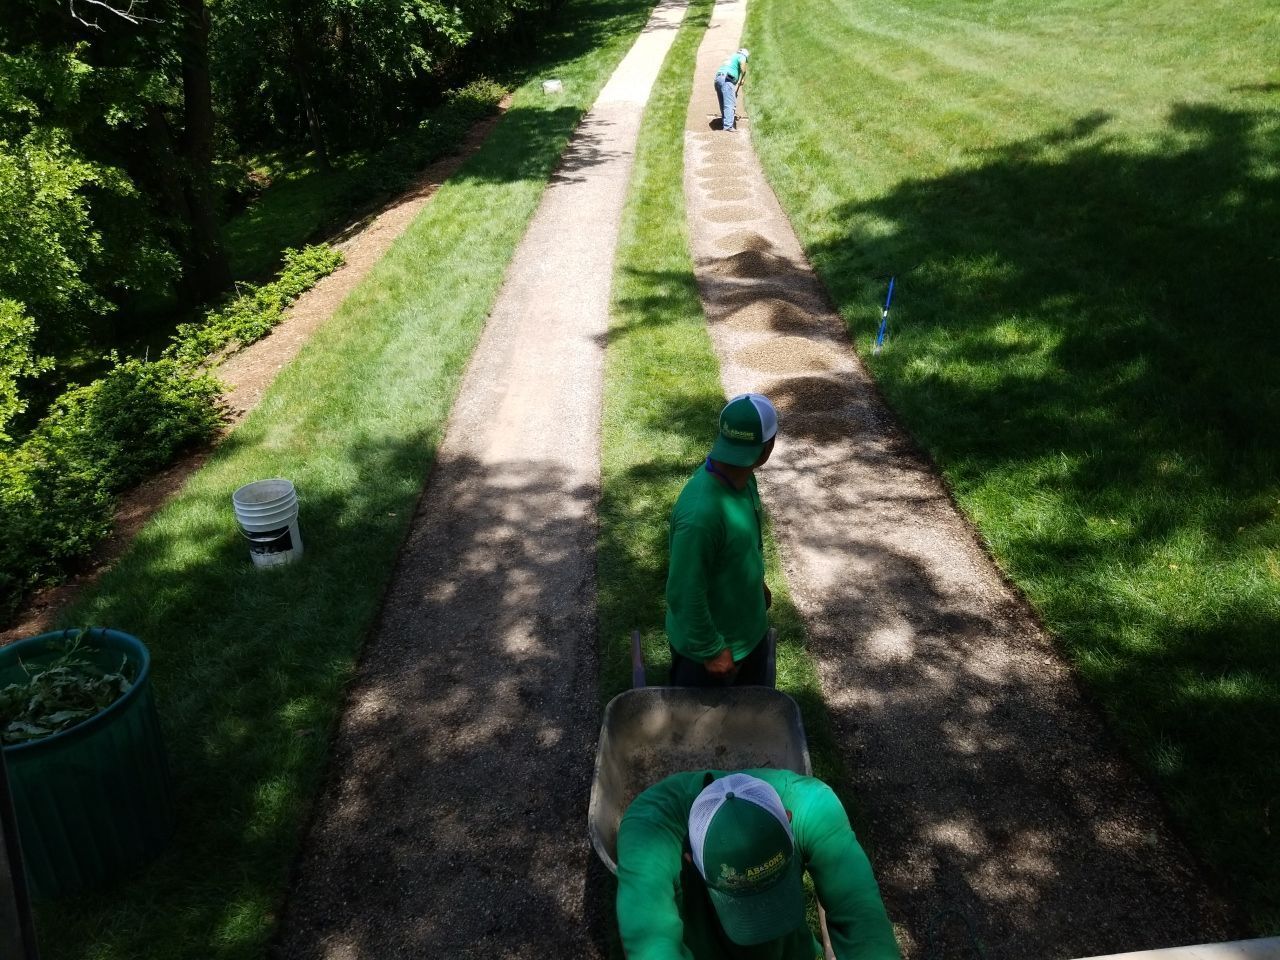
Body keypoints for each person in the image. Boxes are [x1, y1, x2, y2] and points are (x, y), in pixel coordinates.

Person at [616, 770, 901, 959]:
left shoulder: (813, 807)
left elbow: (863, 917)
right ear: (689, 857)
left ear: (787, 819)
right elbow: (652, 947)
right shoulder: (650, 832)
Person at [666, 393, 777, 687]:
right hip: (709, 657)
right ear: (767, 449)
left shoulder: (744, 479)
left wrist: (755, 585)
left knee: (751, 723)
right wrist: (711, 650)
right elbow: (683, 591)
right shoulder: (700, 516)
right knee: (702, 732)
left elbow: (742, 547)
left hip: (748, 635)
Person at [714, 48, 749, 132]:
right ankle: (728, 127)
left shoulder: (732, 57)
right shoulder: (742, 56)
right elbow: (742, 65)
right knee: (730, 103)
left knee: (723, 104)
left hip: (718, 79)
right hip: (727, 80)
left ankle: (725, 123)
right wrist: (743, 77)